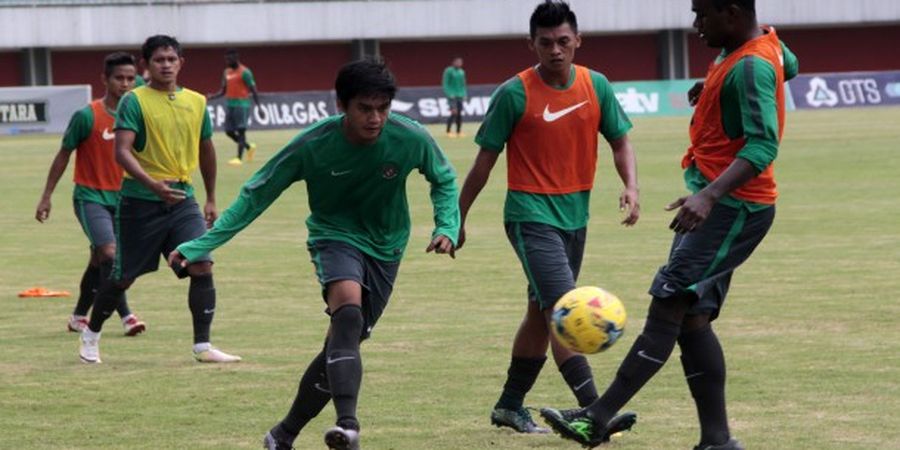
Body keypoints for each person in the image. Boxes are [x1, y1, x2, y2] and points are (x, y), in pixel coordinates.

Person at [539, 0, 799, 448]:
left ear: (733, 13)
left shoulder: (752, 65)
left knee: (669, 302)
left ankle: (596, 418)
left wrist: (708, 194)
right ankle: (717, 440)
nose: (695, 24)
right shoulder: (762, 46)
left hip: (735, 207)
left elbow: (761, 148)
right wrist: (718, 90)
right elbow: (789, 64)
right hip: (720, 202)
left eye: (703, 15)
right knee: (693, 319)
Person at [168, 59, 459, 450]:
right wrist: (199, 245)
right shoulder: (313, 145)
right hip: (333, 237)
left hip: (387, 247)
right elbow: (257, 194)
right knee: (348, 312)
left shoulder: (410, 137)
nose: (375, 119)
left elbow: (443, 179)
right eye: (364, 109)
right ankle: (348, 427)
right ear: (342, 105)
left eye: (383, 109)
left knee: (340, 345)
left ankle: (282, 434)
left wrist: (447, 227)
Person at [457, 0, 640, 435]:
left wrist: (631, 187)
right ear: (531, 45)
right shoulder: (514, 93)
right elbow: (484, 162)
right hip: (529, 214)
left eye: (563, 41)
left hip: (575, 217)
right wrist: (456, 218)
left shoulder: (596, 86)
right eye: (545, 43)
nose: (555, 50)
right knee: (566, 307)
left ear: (577, 40)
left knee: (540, 315)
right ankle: (595, 413)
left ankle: (508, 405)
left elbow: (620, 142)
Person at [77, 35, 241, 364]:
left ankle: (202, 346)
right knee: (122, 276)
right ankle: (91, 333)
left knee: (201, 263)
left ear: (181, 62)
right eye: (158, 60)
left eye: (171, 59)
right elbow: (122, 152)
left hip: (183, 200)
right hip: (139, 202)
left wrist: (210, 197)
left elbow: (206, 149)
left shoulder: (196, 101)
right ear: (146, 66)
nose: (165, 65)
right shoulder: (134, 101)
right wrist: (153, 185)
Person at [36, 52, 146, 337]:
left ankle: (77, 316)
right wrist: (47, 196)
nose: (125, 84)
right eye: (119, 78)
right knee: (111, 254)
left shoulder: (138, 115)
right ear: (105, 80)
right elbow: (63, 155)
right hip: (91, 198)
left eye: (130, 79)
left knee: (99, 261)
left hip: (125, 200)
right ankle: (127, 316)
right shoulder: (87, 115)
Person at [208, 48, 260, 166]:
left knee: (241, 131)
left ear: (236, 58)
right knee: (228, 131)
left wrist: (259, 107)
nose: (227, 61)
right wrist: (213, 96)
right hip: (230, 104)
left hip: (242, 105)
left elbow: (253, 90)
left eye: (229, 59)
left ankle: (238, 158)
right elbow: (223, 91)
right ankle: (248, 146)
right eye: (225, 59)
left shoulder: (245, 72)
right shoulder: (226, 72)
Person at [442, 56, 467, 138]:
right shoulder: (449, 71)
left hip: (460, 96)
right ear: (454, 62)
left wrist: (464, 94)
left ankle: (458, 132)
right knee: (454, 113)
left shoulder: (462, 72)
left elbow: (463, 85)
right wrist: (449, 94)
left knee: (459, 114)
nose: (459, 64)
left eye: (461, 62)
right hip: (452, 96)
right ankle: (448, 131)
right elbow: (445, 83)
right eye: (458, 62)